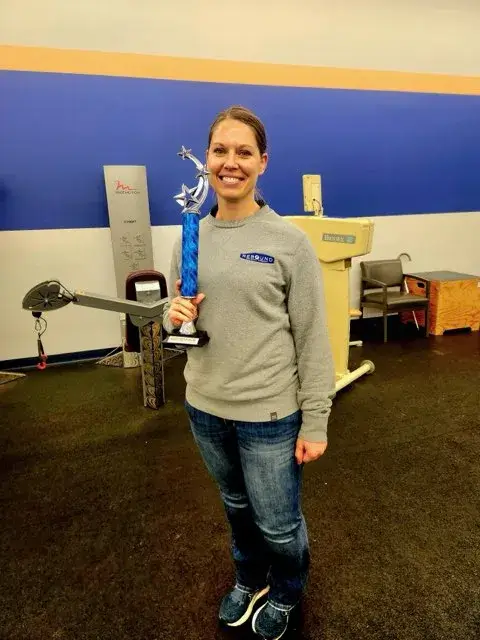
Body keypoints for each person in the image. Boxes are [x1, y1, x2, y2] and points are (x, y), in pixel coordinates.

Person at [163, 105, 335, 640]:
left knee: (278, 524)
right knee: (237, 509)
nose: (230, 162)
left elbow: (312, 336)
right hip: (205, 408)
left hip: (270, 415)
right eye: (220, 150)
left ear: (263, 162)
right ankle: (250, 577)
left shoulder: (288, 242)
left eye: (244, 152)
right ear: (206, 160)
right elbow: (180, 318)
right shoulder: (189, 236)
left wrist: (316, 420)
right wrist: (173, 315)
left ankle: (287, 589)